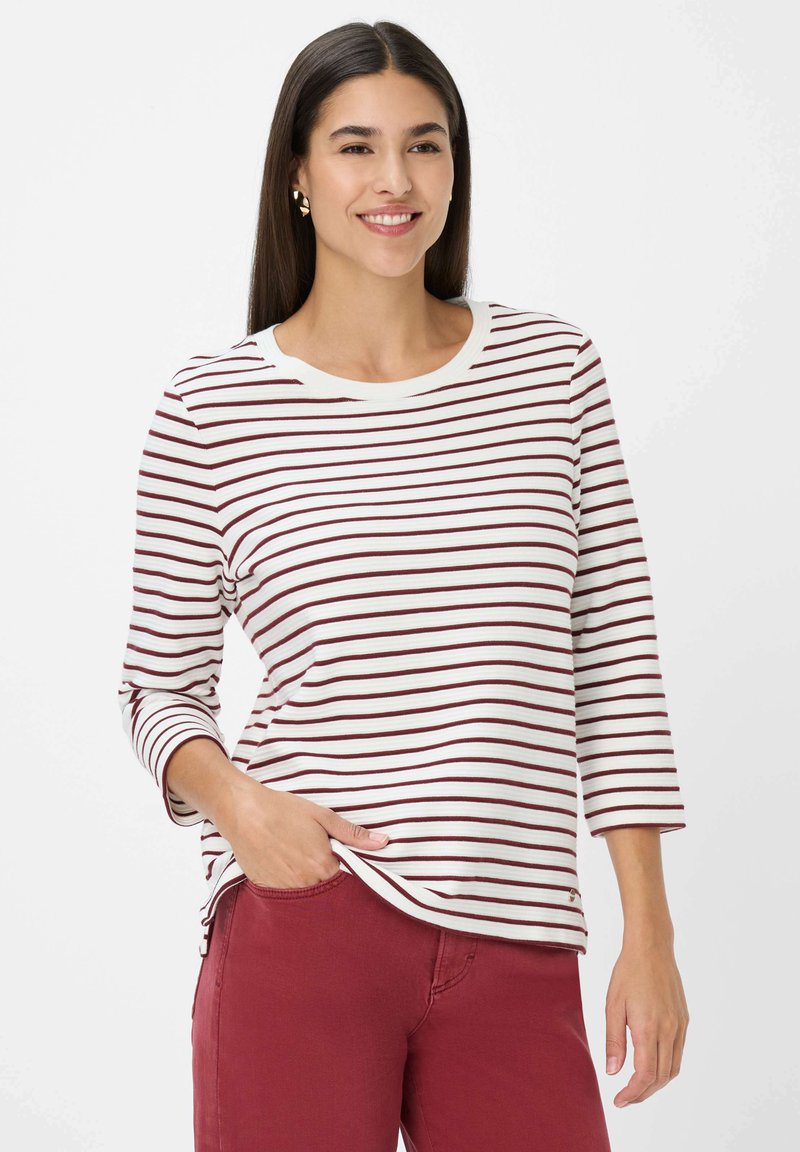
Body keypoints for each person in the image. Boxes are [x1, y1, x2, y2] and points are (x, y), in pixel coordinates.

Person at [117, 19, 689, 1152]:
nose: (395, 179)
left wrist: (651, 933)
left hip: (519, 936)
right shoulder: (212, 408)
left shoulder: (552, 374)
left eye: (424, 145)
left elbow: (614, 661)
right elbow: (156, 689)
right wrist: (245, 812)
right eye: (356, 147)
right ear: (297, 172)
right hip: (301, 918)